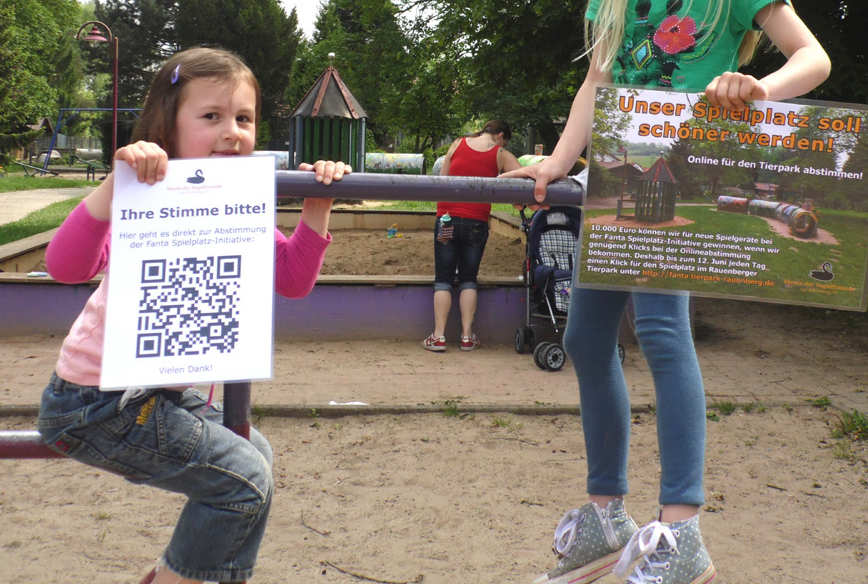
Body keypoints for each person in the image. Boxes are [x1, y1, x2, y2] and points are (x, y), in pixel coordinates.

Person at [504, 0, 831, 584]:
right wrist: (555, 161)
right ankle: (606, 516)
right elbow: (598, 81)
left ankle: (681, 528)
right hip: (619, 169)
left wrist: (755, 89)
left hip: (684, 167)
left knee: (660, 330)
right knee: (585, 340)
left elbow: (811, 59)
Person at [36, 47, 351, 584]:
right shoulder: (145, 196)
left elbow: (292, 281)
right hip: (96, 401)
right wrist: (117, 184)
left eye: (244, 119)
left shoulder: (234, 203)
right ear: (168, 126)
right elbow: (65, 265)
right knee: (244, 478)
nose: (232, 132)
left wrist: (316, 205)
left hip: (152, 393)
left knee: (254, 452)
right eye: (212, 117)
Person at [423, 119, 522, 352]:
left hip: (446, 218)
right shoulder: (501, 154)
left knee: (443, 279)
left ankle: (438, 337)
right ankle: (467, 337)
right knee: (469, 278)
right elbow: (523, 179)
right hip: (476, 222)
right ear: (501, 136)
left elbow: (443, 178)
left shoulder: (457, 143)